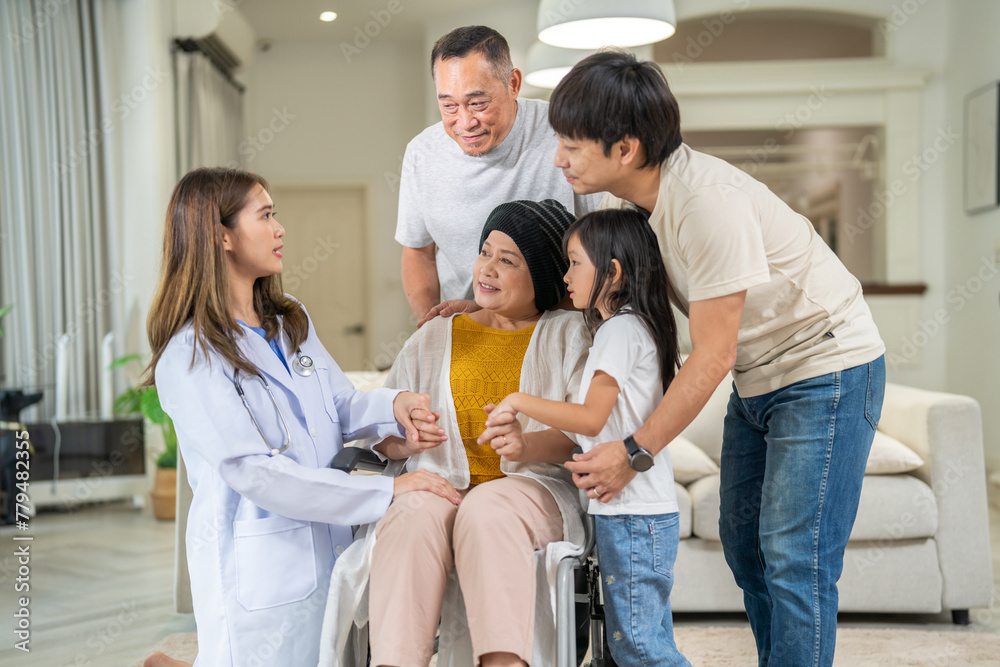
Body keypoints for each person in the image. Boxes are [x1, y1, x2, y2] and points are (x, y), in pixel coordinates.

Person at [547, 51, 887, 666]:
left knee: (794, 556)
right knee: (744, 544)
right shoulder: (640, 209)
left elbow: (712, 353)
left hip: (825, 367)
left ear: (624, 149)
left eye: (572, 145)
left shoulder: (706, 203)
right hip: (760, 378)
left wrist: (633, 453)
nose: (558, 159)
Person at [140, 168, 460, 667]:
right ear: (221, 235)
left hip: (328, 552)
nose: (280, 228)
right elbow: (254, 472)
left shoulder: (289, 321)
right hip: (263, 567)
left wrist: (393, 407)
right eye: (265, 215)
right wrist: (387, 490)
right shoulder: (191, 354)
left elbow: (339, 406)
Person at [320, 199, 589, 667]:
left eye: (508, 260)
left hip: (533, 489)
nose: (487, 269)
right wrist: (406, 441)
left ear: (544, 276)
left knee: (487, 509)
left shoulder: (568, 334)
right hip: (437, 481)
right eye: (486, 251)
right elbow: (381, 432)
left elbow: (584, 431)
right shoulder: (433, 335)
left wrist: (527, 443)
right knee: (411, 513)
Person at [493, 208, 691, 666]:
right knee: (632, 643)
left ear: (614, 272)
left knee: (639, 647)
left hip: (633, 515)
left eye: (575, 263)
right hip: (633, 512)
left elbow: (589, 417)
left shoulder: (620, 330)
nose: (566, 276)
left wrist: (520, 400)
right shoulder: (631, 327)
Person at [396, 25, 600, 326]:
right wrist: (432, 327)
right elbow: (418, 252)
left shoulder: (564, 132)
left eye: (478, 103)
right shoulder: (422, 154)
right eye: (449, 105)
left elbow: (607, 246)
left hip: (563, 324)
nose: (465, 122)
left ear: (513, 84)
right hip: (467, 327)